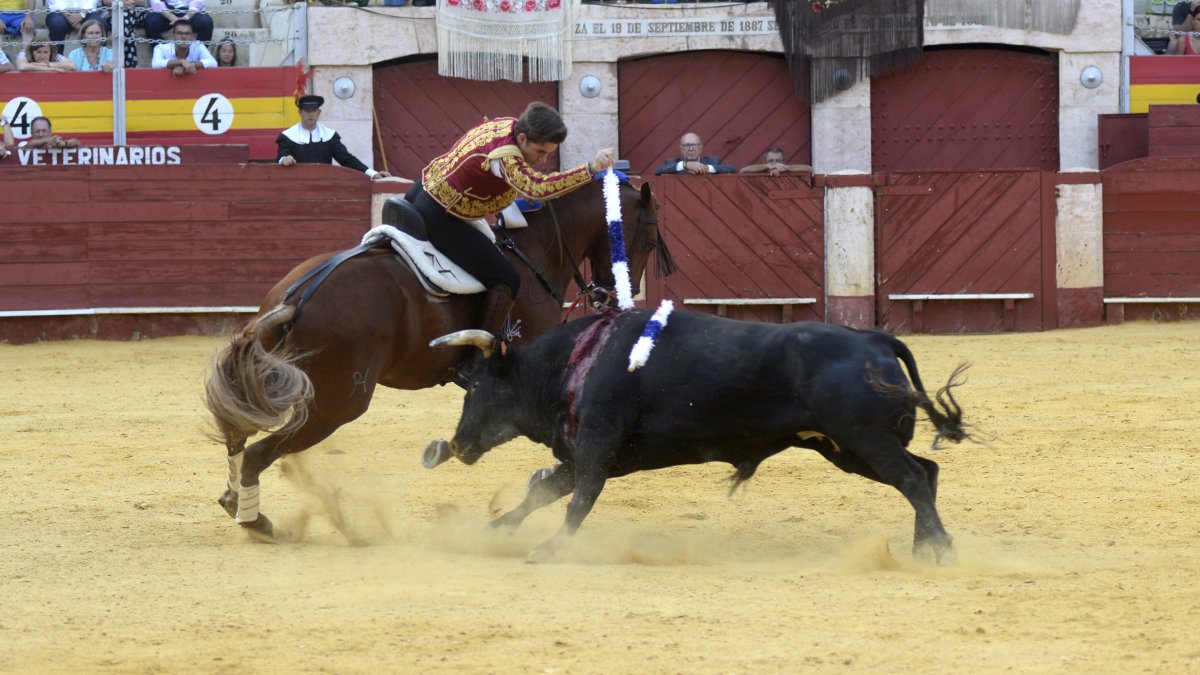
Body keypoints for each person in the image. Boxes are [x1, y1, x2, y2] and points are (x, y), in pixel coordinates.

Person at [407, 101, 615, 344]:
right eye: (540, 152)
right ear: (523, 138)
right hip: (442, 214)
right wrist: (590, 169)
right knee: (507, 278)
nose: (543, 159)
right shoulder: (506, 158)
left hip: (424, 191)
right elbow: (536, 188)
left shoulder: (508, 125)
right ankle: (479, 356)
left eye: (548, 152)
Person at [150, 18, 215, 74]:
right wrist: (181, 62)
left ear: (192, 36)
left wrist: (188, 65)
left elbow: (213, 63)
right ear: (173, 35)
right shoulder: (161, 48)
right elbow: (156, 64)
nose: (183, 37)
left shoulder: (198, 45)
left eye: (187, 33)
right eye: (179, 33)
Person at [653, 132, 735, 175]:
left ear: (701, 148)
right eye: (687, 145)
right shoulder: (672, 162)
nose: (691, 149)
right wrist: (685, 165)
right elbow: (657, 171)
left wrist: (706, 168)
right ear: (681, 149)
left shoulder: (713, 161)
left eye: (694, 145)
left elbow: (732, 170)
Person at [101, 0, 148, 68]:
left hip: (135, 10)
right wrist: (119, 3)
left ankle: (112, 53)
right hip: (112, 11)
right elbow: (104, 1)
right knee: (128, 26)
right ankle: (131, 67)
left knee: (127, 14)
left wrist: (129, 3)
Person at [144, 0, 212, 44]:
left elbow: (200, 1)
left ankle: (197, 54)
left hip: (190, 9)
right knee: (151, 22)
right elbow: (154, 1)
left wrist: (187, 17)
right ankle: (164, 54)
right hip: (165, 9)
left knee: (206, 22)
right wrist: (171, 17)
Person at [739, 146, 813, 175]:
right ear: (765, 161)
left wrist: (787, 168)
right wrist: (767, 166)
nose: (774, 163)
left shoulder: (785, 168)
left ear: (783, 161)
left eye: (778, 161)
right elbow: (743, 170)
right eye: (771, 161)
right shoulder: (762, 168)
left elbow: (809, 169)